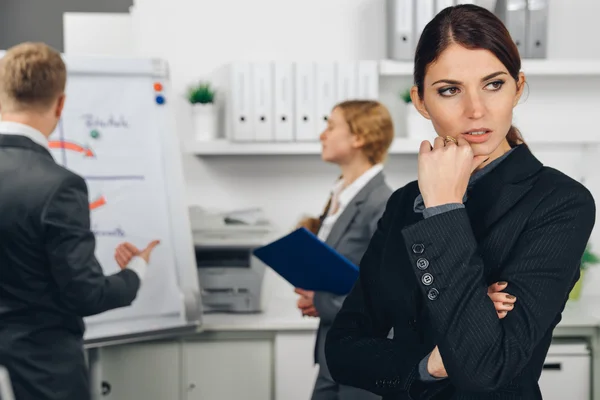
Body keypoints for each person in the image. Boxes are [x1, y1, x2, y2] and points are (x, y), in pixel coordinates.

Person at [324, 5, 595, 400]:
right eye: (449, 90)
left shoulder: (560, 202)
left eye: (493, 84)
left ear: (518, 88)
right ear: (420, 101)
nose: (475, 110)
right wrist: (431, 361)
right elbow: (342, 351)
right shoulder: (403, 202)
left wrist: (443, 209)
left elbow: (486, 370)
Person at [0, 42, 159, 400]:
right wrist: (136, 270)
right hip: (42, 374)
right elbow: (84, 294)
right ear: (60, 104)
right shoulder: (58, 186)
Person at [294, 100, 394, 400]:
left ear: (359, 137)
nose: (322, 135)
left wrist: (323, 303)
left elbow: (390, 292)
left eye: (331, 126)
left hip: (364, 357)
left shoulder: (381, 202)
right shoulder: (341, 196)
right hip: (334, 353)